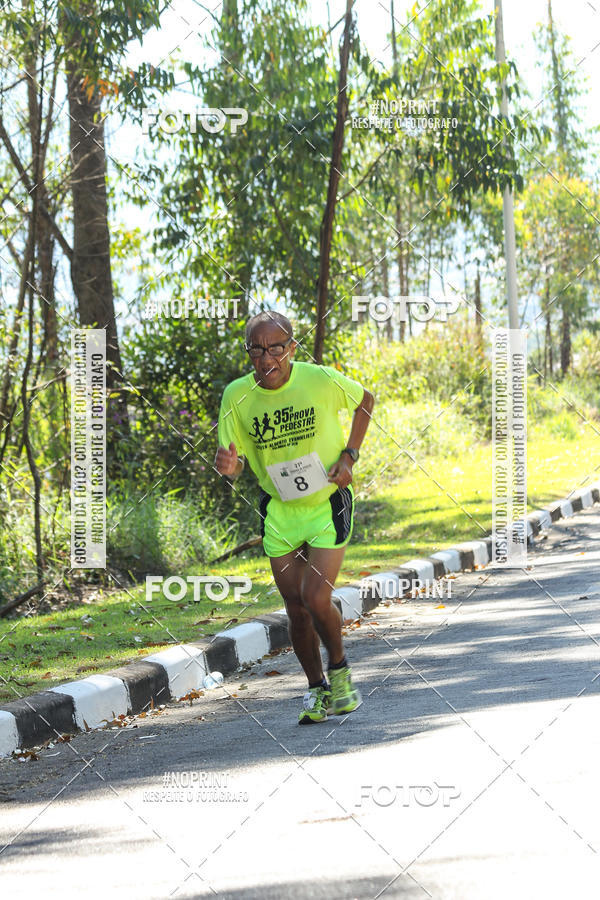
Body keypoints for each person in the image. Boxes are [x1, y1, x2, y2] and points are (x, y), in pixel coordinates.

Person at [215, 311, 374, 724]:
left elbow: (365, 401)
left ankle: (340, 674)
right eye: (256, 349)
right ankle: (317, 689)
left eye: (276, 348)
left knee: (316, 597)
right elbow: (231, 459)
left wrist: (349, 454)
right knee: (295, 608)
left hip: (327, 502)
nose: (267, 357)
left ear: (292, 348)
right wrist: (228, 468)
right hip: (281, 510)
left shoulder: (318, 378)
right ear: (248, 351)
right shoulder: (237, 396)